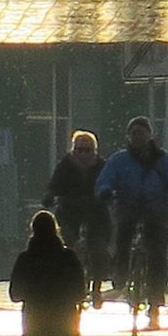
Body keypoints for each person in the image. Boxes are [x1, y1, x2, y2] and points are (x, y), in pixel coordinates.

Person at [94, 116, 168, 329]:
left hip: (156, 209)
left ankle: (155, 298)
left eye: (141, 133)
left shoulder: (163, 159)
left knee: (157, 254)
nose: (138, 138)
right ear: (128, 136)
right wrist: (105, 191)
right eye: (134, 134)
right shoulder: (119, 160)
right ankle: (121, 274)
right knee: (123, 238)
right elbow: (105, 179)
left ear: (150, 135)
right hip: (128, 206)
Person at [43, 130, 111, 306]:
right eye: (79, 150)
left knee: (99, 248)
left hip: (96, 212)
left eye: (87, 150)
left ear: (94, 151)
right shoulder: (65, 165)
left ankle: (97, 287)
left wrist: (108, 195)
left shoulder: (102, 166)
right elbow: (54, 184)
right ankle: (66, 281)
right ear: (73, 150)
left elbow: (109, 184)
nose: (83, 154)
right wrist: (50, 195)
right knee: (65, 245)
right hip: (70, 211)